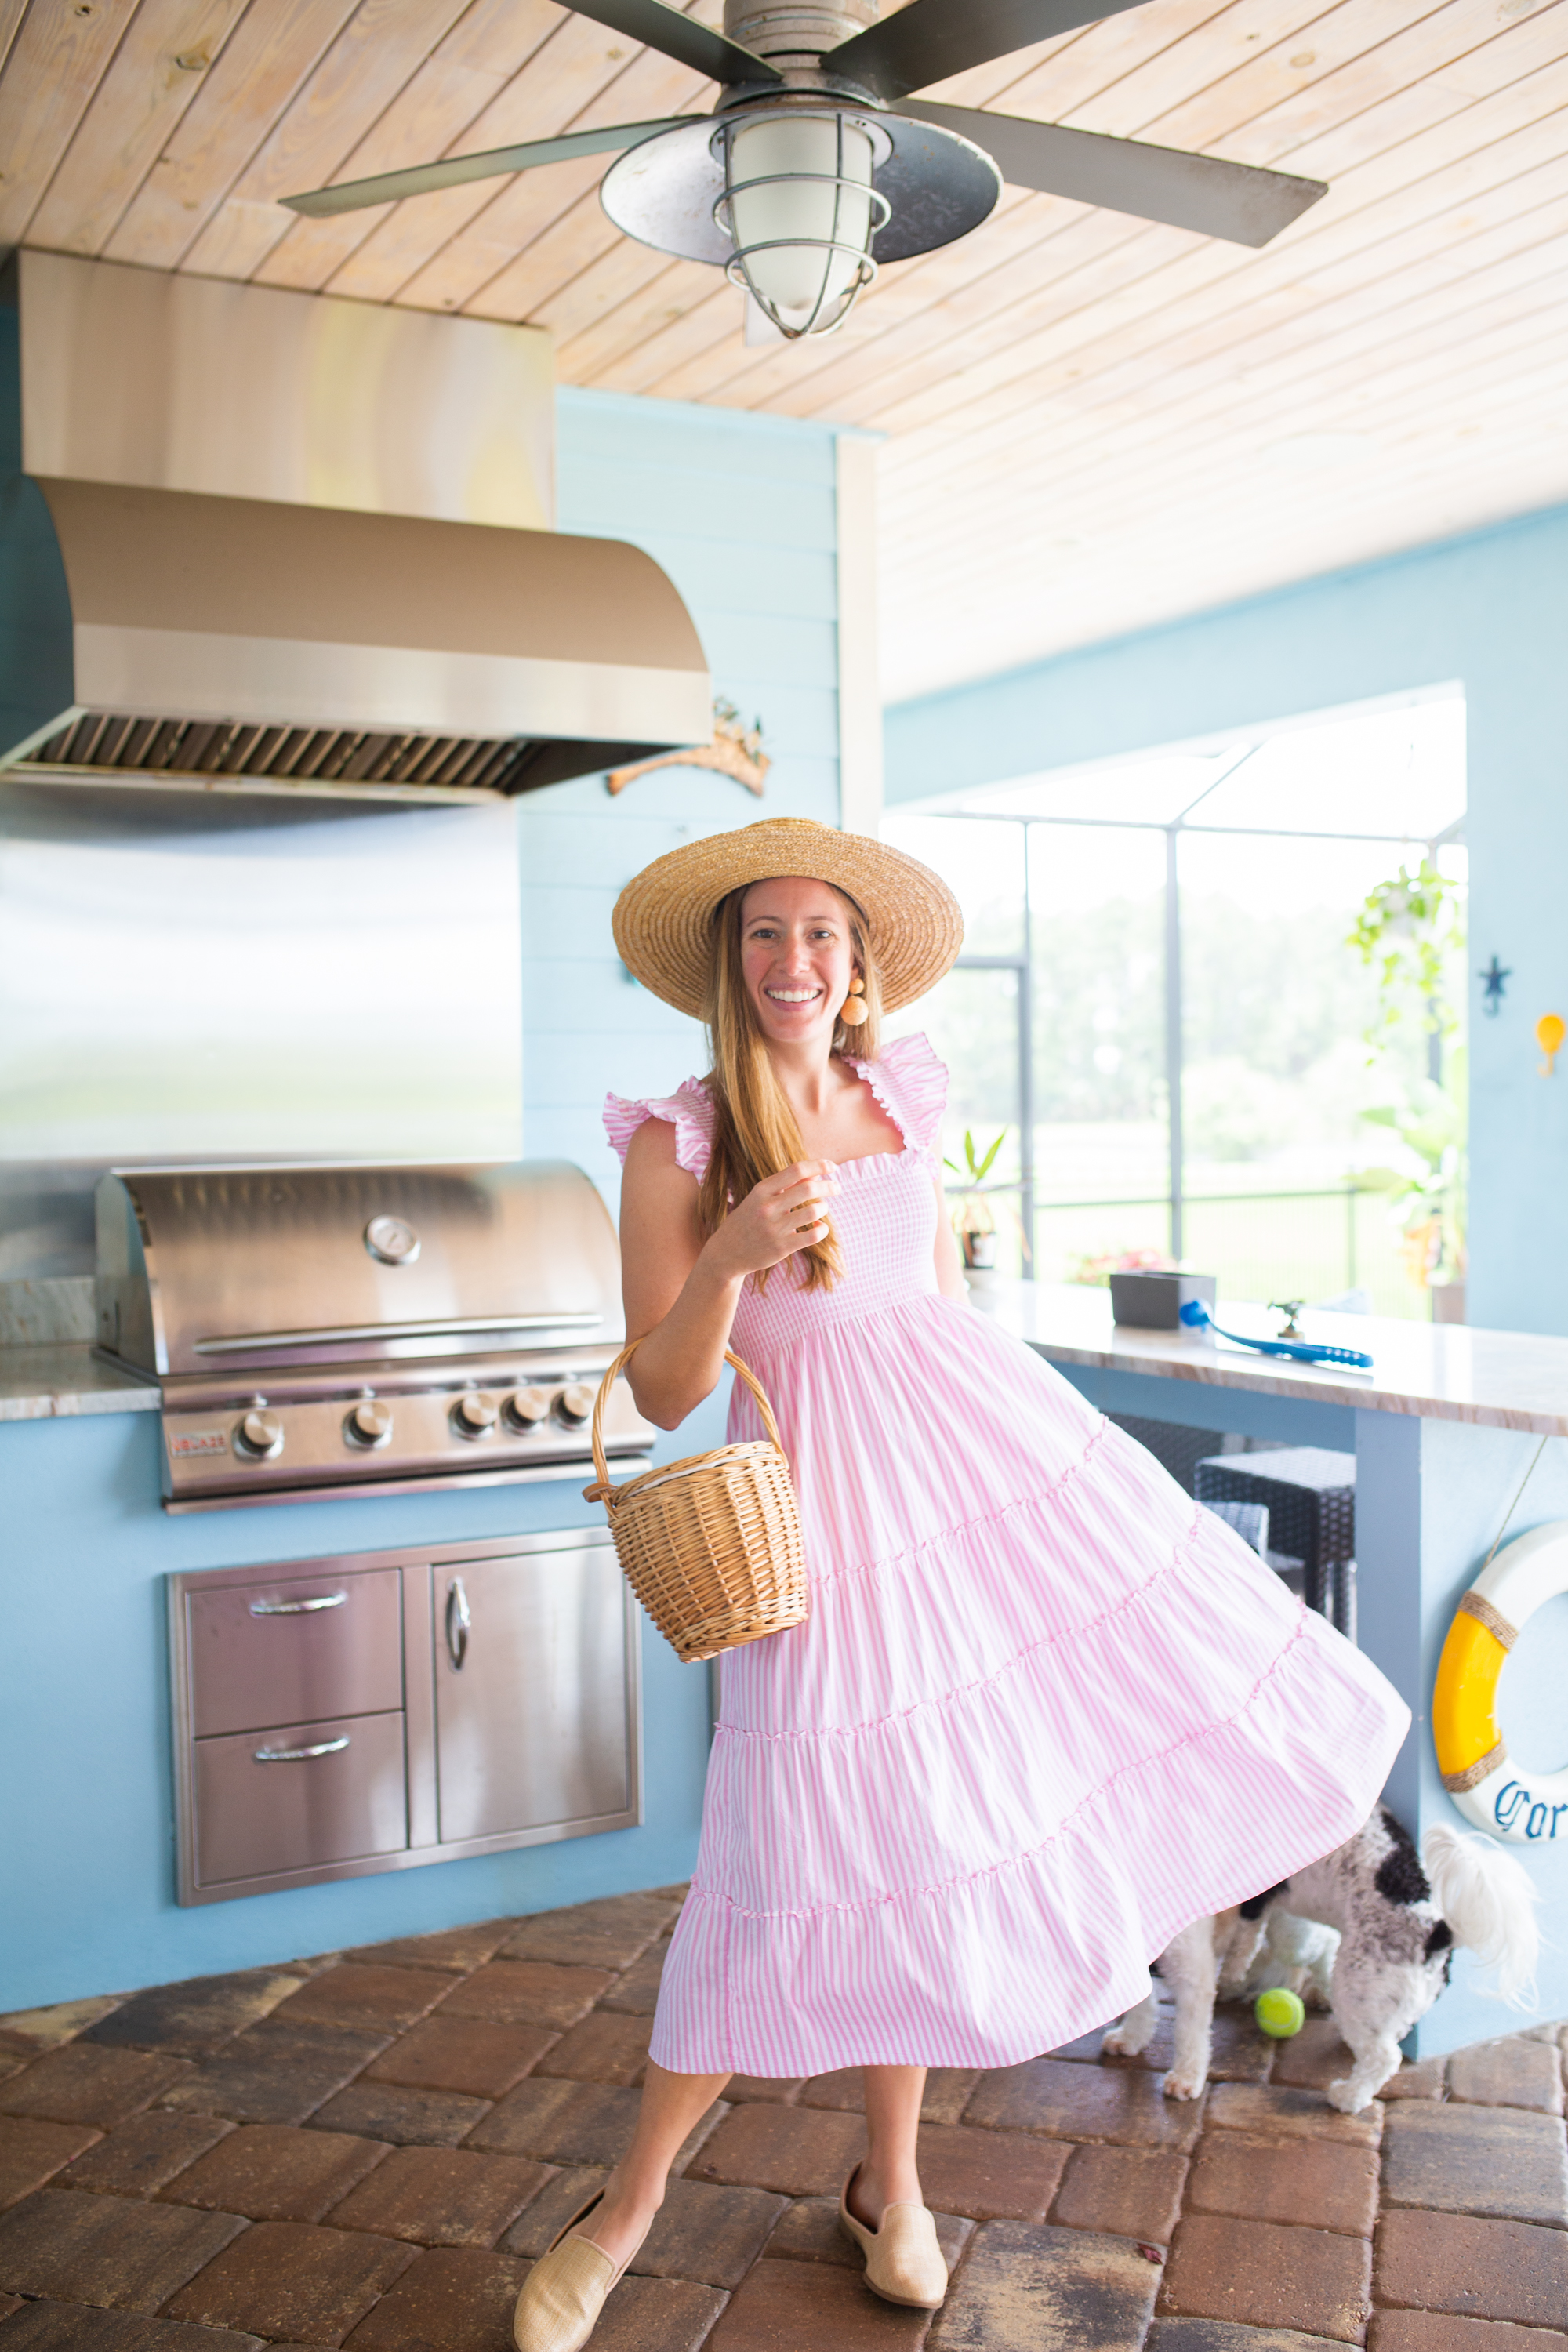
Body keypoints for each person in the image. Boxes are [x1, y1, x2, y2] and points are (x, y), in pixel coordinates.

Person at [513, 817, 1409, 2352]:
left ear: (857, 967)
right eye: (764, 935)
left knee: (932, 1833)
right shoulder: (674, 1142)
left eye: (820, 936)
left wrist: (1043, 1485)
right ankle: (627, 2212)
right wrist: (725, 1255)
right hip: (809, 1525)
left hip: (960, 1489)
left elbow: (932, 1318)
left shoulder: (900, 1098)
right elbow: (663, 1391)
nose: (794, 962)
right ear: (728, 964)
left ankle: (893, 2187)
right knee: (777, 1857)